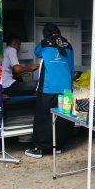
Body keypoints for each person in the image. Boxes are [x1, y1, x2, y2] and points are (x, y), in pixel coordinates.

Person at [25, 23, 75, 159]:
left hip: (49, 87)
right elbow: (71, 68)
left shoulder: (45, 43)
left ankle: (40, 148)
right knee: (62, 118)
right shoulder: (68, 44)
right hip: (66, 89)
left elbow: (36, 52)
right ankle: (57, 146)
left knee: (44, 118)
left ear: (46, 33)